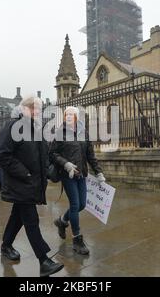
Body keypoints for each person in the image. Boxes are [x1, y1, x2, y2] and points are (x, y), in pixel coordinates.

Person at [0, 96, 64, 277]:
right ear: (25, 108)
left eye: (40, 109)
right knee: (31, 220)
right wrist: (25, 173)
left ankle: (6, 245)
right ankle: (44, 260)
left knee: (18, 217)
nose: (39, 112)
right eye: (36, 108)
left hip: (32, 183)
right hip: (21, 182)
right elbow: (3, 156)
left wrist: (51, 171)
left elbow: (43, 156)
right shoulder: (13, 126)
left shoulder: (35, 129)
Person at [50, 106, 106, 256]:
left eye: (72, 115)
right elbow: (52, 153)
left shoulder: (84, 133)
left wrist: (99, 172)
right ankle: (77, 239)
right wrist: (65, 164)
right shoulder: (60, 133)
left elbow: (90, 155)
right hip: (68, 174)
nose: (69, 117)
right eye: (66, 115)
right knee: (75, 204)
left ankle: (62, 220)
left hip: (82, 174)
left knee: (82, 204)